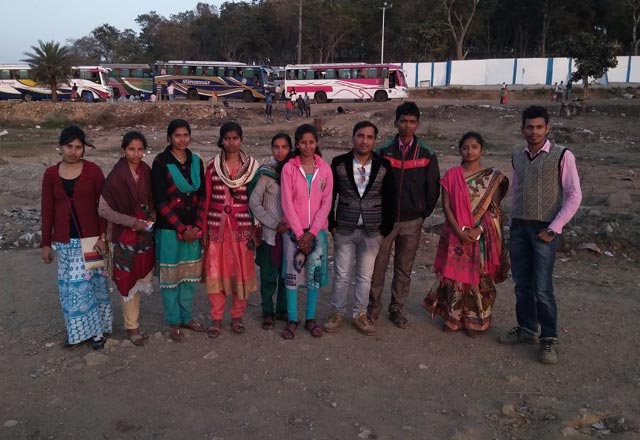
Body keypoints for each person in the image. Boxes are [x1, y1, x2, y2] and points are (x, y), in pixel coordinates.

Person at [499, 105, 582, 365]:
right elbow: (517, 191)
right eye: (529, 127)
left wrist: (554, 228)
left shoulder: (562, 155)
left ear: (547, 128)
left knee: (542, 287)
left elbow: (574, 195)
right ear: (522, 128)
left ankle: (549, 338)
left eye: (539, 127)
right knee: (521, 284)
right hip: (519, 227)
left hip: (545, 229)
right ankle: (527, 329)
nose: (534, 132)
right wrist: (511, 223)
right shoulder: (518, 156)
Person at [422, 132, 509, 337]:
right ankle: (454, 318)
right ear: (460, 150)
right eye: (465, 147)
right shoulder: (452, 175)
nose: (470, 151)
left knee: (478, 277)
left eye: (474, 147)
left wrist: (478, 230)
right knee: (454, 277)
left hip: (481, 235)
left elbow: (494, 210)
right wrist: (459, 231)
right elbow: (446, 207)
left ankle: (476, 320)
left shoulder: (492, 177)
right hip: (455, 234)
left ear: (482, 150)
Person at [368, 101, 440, 329]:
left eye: (412, 122)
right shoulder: (383, 152)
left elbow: (433, 188)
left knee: (403, 269)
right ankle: (373, 308)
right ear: (396, 123)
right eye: (403, 121)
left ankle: (396, 309)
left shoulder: (427, 153)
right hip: (385, 221)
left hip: (412, 222)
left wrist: (422, 213)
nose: (407, 126)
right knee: (378, 267)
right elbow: (373, 185)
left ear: (417, 124)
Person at [40, 125, 112, 350]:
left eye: (78, 147)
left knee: (93, 287)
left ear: (84, 149)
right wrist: (45, 243)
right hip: (64, 242)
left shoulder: (93, 171)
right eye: (69, 146)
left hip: (91, 241)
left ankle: (98, 332)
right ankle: (77, 332)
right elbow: (47, 210)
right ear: (60, 147)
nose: (73, 151)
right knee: (71, 290)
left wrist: (103, 237)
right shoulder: (50, 175)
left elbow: (104, 206)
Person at [324, 121, 395, 336]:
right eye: (360, 136)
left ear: (374, 140)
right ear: (353, 137)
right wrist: (332, 225)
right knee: (341, 275)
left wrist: (384, 230)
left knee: (365, 277)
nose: (364, 141)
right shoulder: (339, 163)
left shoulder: (384, 165)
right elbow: (330, 196)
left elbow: (390, 199)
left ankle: (360, 314)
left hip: (372, 231)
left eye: (369, 137)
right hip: (345, 228)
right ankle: (337, 313)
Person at [200, 122, 259, 337]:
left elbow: (255, 201)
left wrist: (256, 231)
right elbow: (206, 199)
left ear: (241, 140)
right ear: (222, 140)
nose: (231, 142)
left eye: (235, 138)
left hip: (242, 228)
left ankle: (237, 315)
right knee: (216, 270)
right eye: (227, 138)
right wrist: (204, 229)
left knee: (240, 271)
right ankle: (216, 317)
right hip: (217, 227)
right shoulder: (212, 166)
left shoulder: (252, 168)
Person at [151, 119, 207, 342]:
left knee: (189, 277)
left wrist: (197, 227)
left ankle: (186, 317)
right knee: (170, 278)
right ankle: (174, 322)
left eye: (186, 135)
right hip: (170, 230)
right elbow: (160, 201)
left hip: (193, 230)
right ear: (169, 138)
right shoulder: (161, 162)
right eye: (177, 135)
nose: (182, 139)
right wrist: (182, 229)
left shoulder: (196, 161)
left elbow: (202, 197)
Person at [99, 131, 155, 346]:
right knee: (127, 279)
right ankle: (132, 327)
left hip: (143, 235)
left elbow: (152, 200)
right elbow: (103, 210)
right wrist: (132, 222)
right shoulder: (116, 177)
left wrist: (151, 217)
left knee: (140, 277)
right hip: (123, 236)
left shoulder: (146, 171)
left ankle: (133, 322)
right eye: (132, 149)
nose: (136, 153)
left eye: (140, 149)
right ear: (123, 150)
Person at [280, 124, 333, 340]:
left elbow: (326, 203)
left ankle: (310, 318)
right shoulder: (289, 169)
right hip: (294, 234)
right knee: (292, 277)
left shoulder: (325, 169)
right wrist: (299, 233)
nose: (307, 146)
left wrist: (312, 233)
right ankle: (292, 319)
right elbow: (287, 203)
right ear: (297, 144)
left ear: (316, 143)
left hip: (316, 234)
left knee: (314, 275)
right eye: (303, 142)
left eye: (311, 142)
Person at [248, 133, 292, 330]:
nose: (280, 151)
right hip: (270, 235)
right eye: (276, 147)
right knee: (268, 276)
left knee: (286, 275)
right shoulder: (266, 174)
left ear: (291, 149)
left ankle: (282, 309)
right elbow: (254, 203)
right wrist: (274, 224)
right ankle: (267, 312)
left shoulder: (294, 171)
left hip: (290, 234)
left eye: (284, 147)